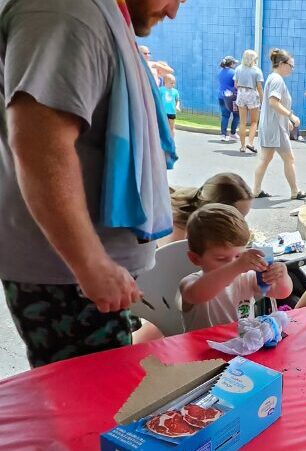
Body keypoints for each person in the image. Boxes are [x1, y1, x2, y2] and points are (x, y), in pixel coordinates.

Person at [0, 0, 183, 368]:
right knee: (96, 405)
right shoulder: (66, 10)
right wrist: (91, 263)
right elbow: (40, 144)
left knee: (106, 394)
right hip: (71, 280)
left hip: (85, 279)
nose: (174, 10)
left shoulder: (93, 12)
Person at [178, 204, 292, 332]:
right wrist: (238, 265)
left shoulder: (247, 278)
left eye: (238, 255)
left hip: (244, 347)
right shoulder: (191, 283)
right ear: (195, 259)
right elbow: (198, 294)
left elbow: (281, 293)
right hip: (202, 350)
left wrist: (282, 274)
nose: (233, 263)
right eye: (221, 258)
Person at [253, 48, 306, 201]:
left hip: (271, 126)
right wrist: (291, 116)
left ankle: (256, 190)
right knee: (289, 159)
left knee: (265, 159)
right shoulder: (277, 80)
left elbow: (273, 105)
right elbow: (274, 102)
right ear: (281, 63)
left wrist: (286, 122)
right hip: (275, 128)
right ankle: (295, 191)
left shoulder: (273, 78)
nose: (292, 69)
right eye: (291, 65)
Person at [162, 172, 254, 246]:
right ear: (216, 213)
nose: (242, 222)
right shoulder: (179, 236)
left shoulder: (202, 200)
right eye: (238, 216)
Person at [234, 49, 264, 154]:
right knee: (254, 121)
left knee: (242, 121)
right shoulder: (257, 71)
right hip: (252, 94)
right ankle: (250, 143)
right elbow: (259, 87)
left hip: (241, 94)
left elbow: (235, 85)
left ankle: (242, 146)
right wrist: (262, 99)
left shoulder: (238, 69)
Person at [218, 55, 240, 142]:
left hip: (221, 96)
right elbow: (236, 85)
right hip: (232, 97)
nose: (235, 64)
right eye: (234, 63)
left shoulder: (220, 72)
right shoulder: (234, 72)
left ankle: (223, 134)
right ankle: (233, 133)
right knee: (236, 115)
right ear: (231, 63)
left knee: (225, 115)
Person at [159, 73, 180, 138]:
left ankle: (171, 142)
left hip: (172, 112)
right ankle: (161, 141)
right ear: (166, 82)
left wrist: (177, 106)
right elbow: (158, 99)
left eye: (174, 83)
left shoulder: (175, 91)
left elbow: (177, 100)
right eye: (171, 83)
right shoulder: (161, 90)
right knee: (162, 127)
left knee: (171, 128)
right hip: (163, 112)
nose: (173, 85)